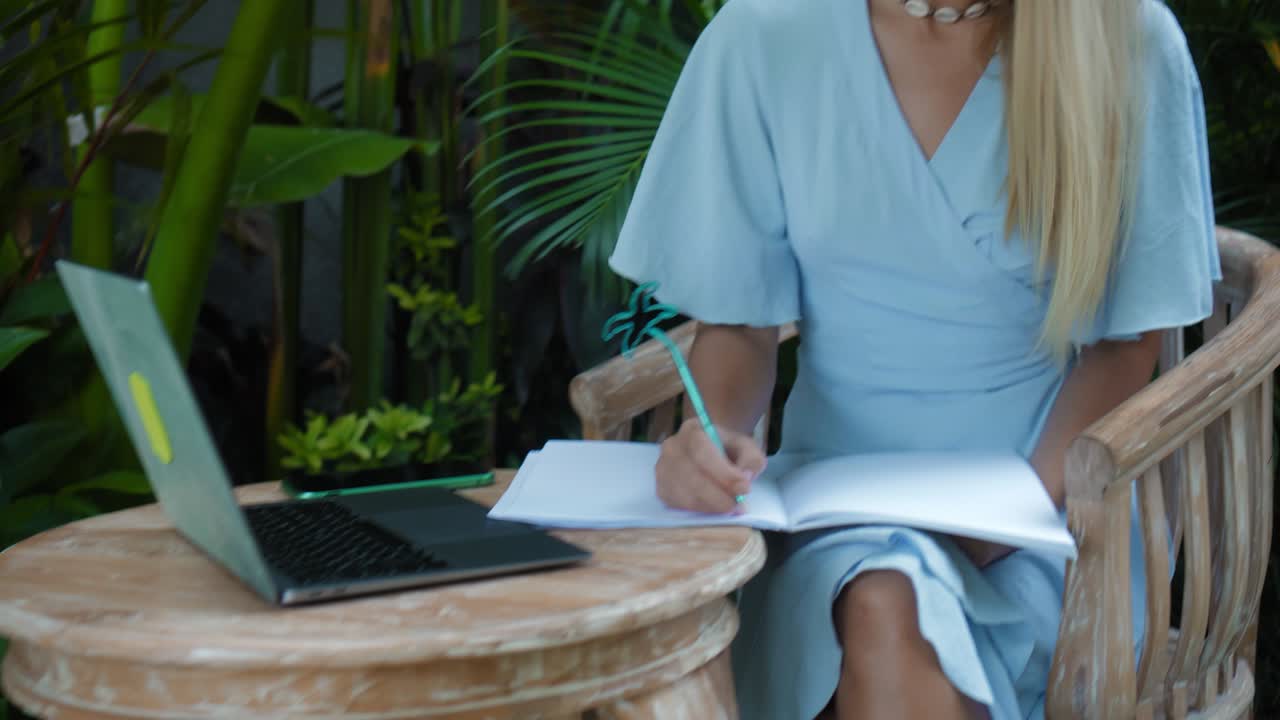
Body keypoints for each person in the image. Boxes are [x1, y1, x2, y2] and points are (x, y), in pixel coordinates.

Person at [605, 0, 1220, 717]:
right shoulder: (765, 34)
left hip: (1055, 511)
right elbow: (739, 324)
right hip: (826, 505)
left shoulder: (1127, 37)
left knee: (886, 605)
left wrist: (1005, 516)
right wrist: (711, 440)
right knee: (883, 598)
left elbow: (1126, 345)